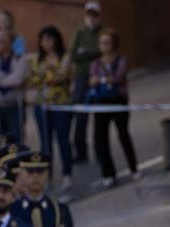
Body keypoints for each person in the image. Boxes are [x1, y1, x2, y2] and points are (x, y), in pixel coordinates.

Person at [89, 28, 138, 188]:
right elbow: (92, 80)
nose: (104, 45)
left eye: (107, 42)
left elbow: (118, 77)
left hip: (118, 100)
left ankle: (134, 168)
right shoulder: (95, 63)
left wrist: (101, 80)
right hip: (101, 102)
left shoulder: (121, 59)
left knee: (123, 134)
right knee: (101, 138)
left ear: (114, 44)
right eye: (102, 42)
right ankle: (108, 173)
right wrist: (105, 80)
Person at [29, 26, 74, 191]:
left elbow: (62, 76)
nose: (46, 43)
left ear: (57, 40)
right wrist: (50, 71)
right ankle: (47, 176)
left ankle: (67, 174)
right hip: (42, 106)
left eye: (50, 39)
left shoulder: (65, 57)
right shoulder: (36, 59)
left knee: (63, 140)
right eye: (43, 40)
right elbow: (32, 79)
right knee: (45, 143)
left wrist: (47, 73)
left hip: (61, 104)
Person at [70, 1, 103, 163]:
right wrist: (91, 53)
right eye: (88, 15)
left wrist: (86, 52)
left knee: (99, 117)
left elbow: (101, 52)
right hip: (82, 77)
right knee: (81, 116)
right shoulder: (79, 32)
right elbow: (73, 55)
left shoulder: (102, 32)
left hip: (97, 76)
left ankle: (100, 152)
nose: (91, 18)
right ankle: (81, 152)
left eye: (94, 15)